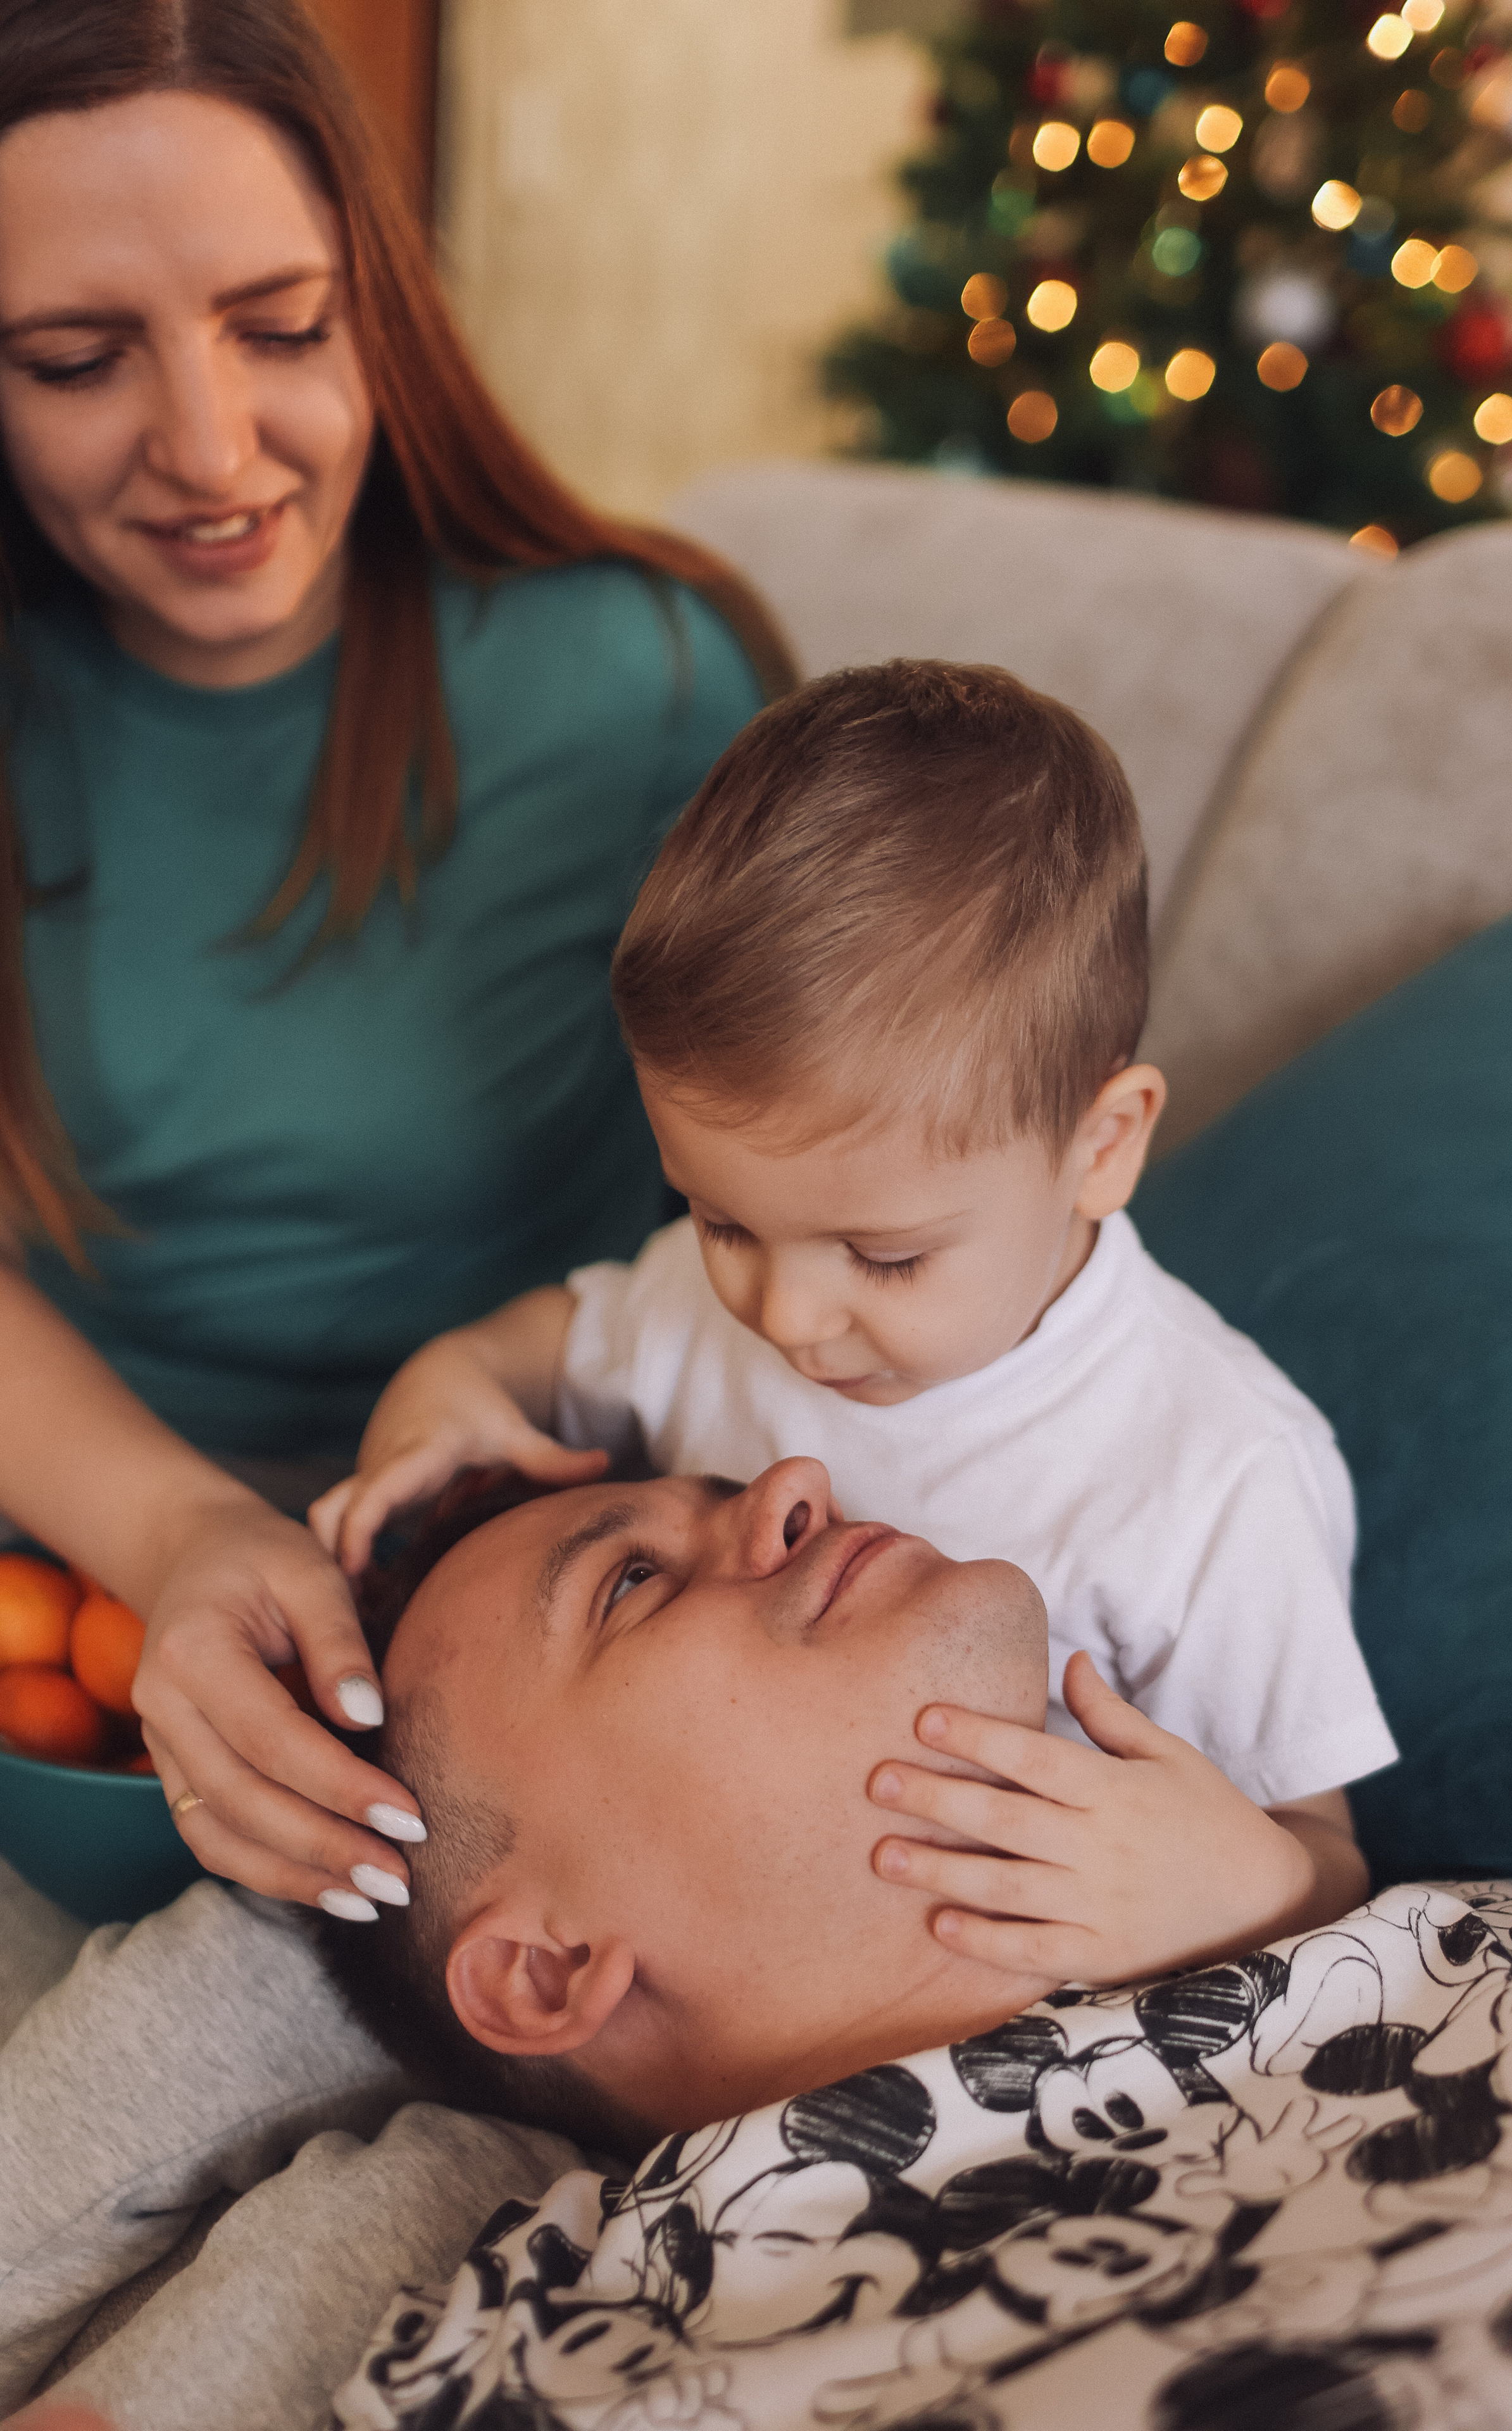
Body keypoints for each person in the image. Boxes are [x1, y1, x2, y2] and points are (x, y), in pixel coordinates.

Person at [0, 0, 785, 1914]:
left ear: (385, 315)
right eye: (77, 359)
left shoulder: (644, 680)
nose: (209, 448)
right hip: (83, 1520)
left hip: (525, 1553)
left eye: (281, 327)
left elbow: (852, 1212)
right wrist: (178, 1536)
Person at [311, 660, 1396, 1968]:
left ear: (1099, 1147)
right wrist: (441, 1397)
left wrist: (1232, 1890)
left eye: (883, 1258)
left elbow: (1329, 1863)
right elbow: (531, 1343)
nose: (784, 1314)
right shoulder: (730, 1304)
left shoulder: (1215, 1471)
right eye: (716, 1221)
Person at [0, 1458, 1377, 2422]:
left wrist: (1279, 1903)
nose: (797, 1479)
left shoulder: (1312, 1917)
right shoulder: (533, 2321)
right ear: (548, 1967)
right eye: (632, 1584)